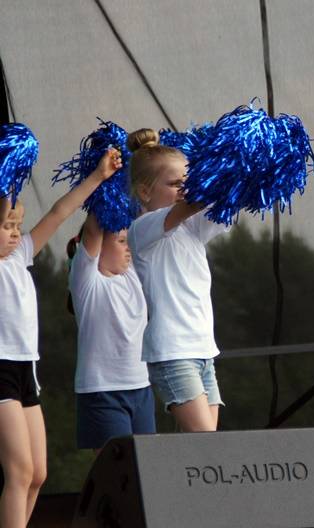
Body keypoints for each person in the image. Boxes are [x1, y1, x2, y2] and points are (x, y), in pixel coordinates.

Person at [0, 147, 119, 528]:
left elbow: (58, 213)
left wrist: (98, 176)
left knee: (37, 474)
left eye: (17, 225)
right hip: (1, 369)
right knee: (19, 472)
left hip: (25, 369)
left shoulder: (20, 255)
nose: (15, 233)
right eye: (6, 226)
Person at [126, 128, 228, 432]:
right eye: (175, 184)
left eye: (187, 182)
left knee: (199, 448)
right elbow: (193, 204)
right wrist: (222, 170)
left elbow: (227, 205)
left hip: (204, 351)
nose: (184, 189)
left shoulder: (192, 229)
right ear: (145, 192)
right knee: (207, 445)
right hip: (173, 352)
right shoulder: (142, 228)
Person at [67, 209, 154, 454]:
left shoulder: (133, 275)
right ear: (98, 248)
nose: (129, 248)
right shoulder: (86, 281)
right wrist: (106, 188)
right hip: (102, 391)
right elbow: (93, 228)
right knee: (118, 470)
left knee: (147, 468)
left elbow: (146, 215)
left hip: (141, 388)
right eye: (122, 241)